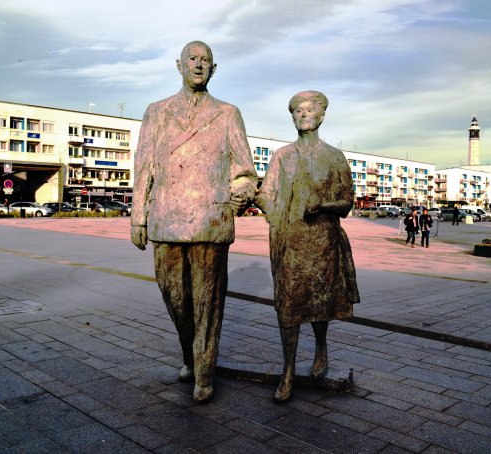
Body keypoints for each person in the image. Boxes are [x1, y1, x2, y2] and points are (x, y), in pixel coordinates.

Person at [130, 41, 257, 404]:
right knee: (175, 298)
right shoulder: (157, 111)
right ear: (180, 65)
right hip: (167, 219)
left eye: (206, 61)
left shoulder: (227, 113)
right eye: (193, 59)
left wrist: (242, 190)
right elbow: (144, 166)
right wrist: (138, 218)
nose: (199, 65)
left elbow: (245, 169)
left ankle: (204, 371)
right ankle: (190, 353)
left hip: (210, 219)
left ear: (213, 69)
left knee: (207, 302)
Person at [255, 91, 359, 402]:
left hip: (323, 240)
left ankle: (321, 346)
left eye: (309, 110)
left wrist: (324, 205)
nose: (303, 115)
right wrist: (255, 197)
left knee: (320, 301)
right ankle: (288, 370)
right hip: (289, 242)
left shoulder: (335, 157)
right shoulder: (282, 156)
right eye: (298, 111)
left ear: (321, 116)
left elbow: (347, 203)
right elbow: (267, 194)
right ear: (292, 117)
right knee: (289, 305)